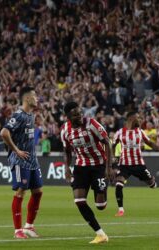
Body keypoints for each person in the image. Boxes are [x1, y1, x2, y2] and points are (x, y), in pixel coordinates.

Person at [60, 101, 113, 244]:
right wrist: (67, 168)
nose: (80, 116)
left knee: (100, 206)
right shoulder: (65, 130)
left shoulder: (91, 124)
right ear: (68, 117)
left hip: (98, 166)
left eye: (80, 112)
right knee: (79, 200)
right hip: (81, 167)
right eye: (75, 114)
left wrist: (108, 167)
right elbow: (67, 151)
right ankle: (100, 234)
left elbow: (107, 142)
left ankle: (102, 187)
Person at [0, 86, 43, 239]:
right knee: (21, 191)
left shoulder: (30, 115)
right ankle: (17, 230)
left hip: (32, 161)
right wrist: (16, 150)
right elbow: (4, 132)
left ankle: (29, 226)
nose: (37, 98)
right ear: (27, 98)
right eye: (35, 96)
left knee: (38, 192)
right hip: (20, 160)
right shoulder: (18, 115)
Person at [112, 111, 159, 217]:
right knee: (118, 184)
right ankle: (121, 209)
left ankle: (152, 181)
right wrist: (113, 158)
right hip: (124, 164)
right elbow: (113, 145)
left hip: (139, 164)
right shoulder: (120, 132)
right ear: (131, 119)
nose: (140, 119)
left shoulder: (140, 132)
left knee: (152, 185)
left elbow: (149, 143)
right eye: (138, 118)